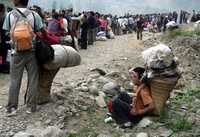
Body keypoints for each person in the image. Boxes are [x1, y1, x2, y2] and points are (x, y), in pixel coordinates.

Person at [3, 0, 44, 113]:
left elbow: (7, 33)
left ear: (16, 1)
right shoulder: (34, 15)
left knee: (15, 80)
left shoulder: (10, 15)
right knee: (33, 79)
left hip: (16, 52)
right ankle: (31, 107)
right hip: (32, 52)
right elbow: (40, 32)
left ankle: (12, 108)